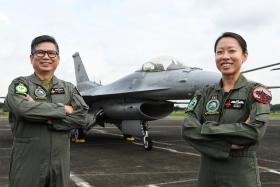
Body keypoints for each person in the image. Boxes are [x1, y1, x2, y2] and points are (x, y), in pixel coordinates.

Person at [182, 32, 272, 187]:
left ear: (244, 56)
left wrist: (205, 128)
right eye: (219, 52)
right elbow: (188, 129)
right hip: (207, 175)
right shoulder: (204, 93)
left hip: (241, 175)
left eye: (231, 51)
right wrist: (228, 145)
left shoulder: (257, 92)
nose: (225, 56)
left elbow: (253, 132)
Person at [5, 35, 91, 187]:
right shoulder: (20, 84)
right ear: (31, 58)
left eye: (51, 53)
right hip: (27, 162)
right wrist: (63, 109)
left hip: (60, 164)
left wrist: (51, 120)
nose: (46, 57)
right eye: (40, 53)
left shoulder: (68, 88)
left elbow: (83, 117)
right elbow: (23, 109)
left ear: (57, 59)